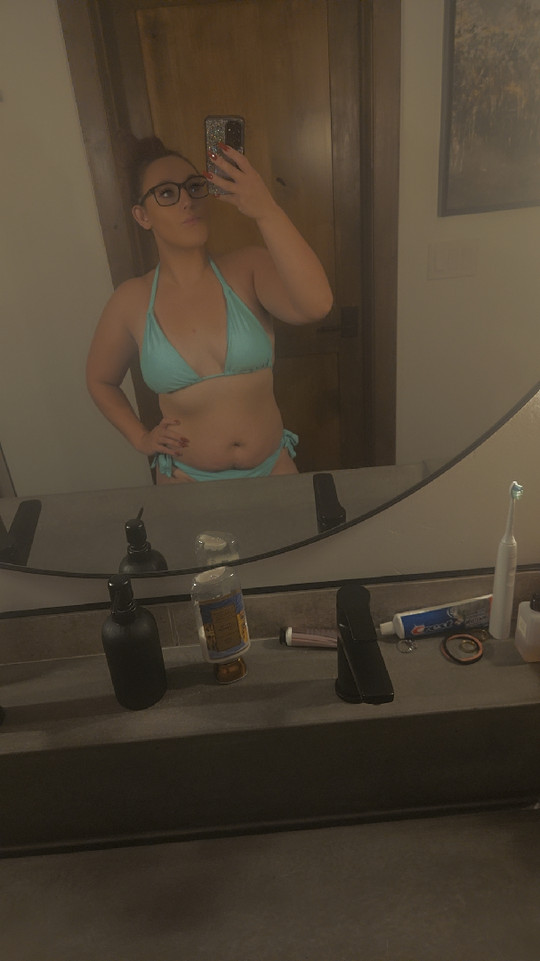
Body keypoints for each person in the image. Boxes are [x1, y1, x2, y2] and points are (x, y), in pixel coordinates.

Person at [86, 135, 333, 483]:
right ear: (142, 215)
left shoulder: (248, 268)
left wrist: (266, 210)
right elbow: (100, 380)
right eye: (167, 193)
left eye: (194, 187)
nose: (187, 201)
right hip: (185, 481)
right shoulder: (131, 300)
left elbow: (316, 305)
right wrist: (140, 438)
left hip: (273, 470)